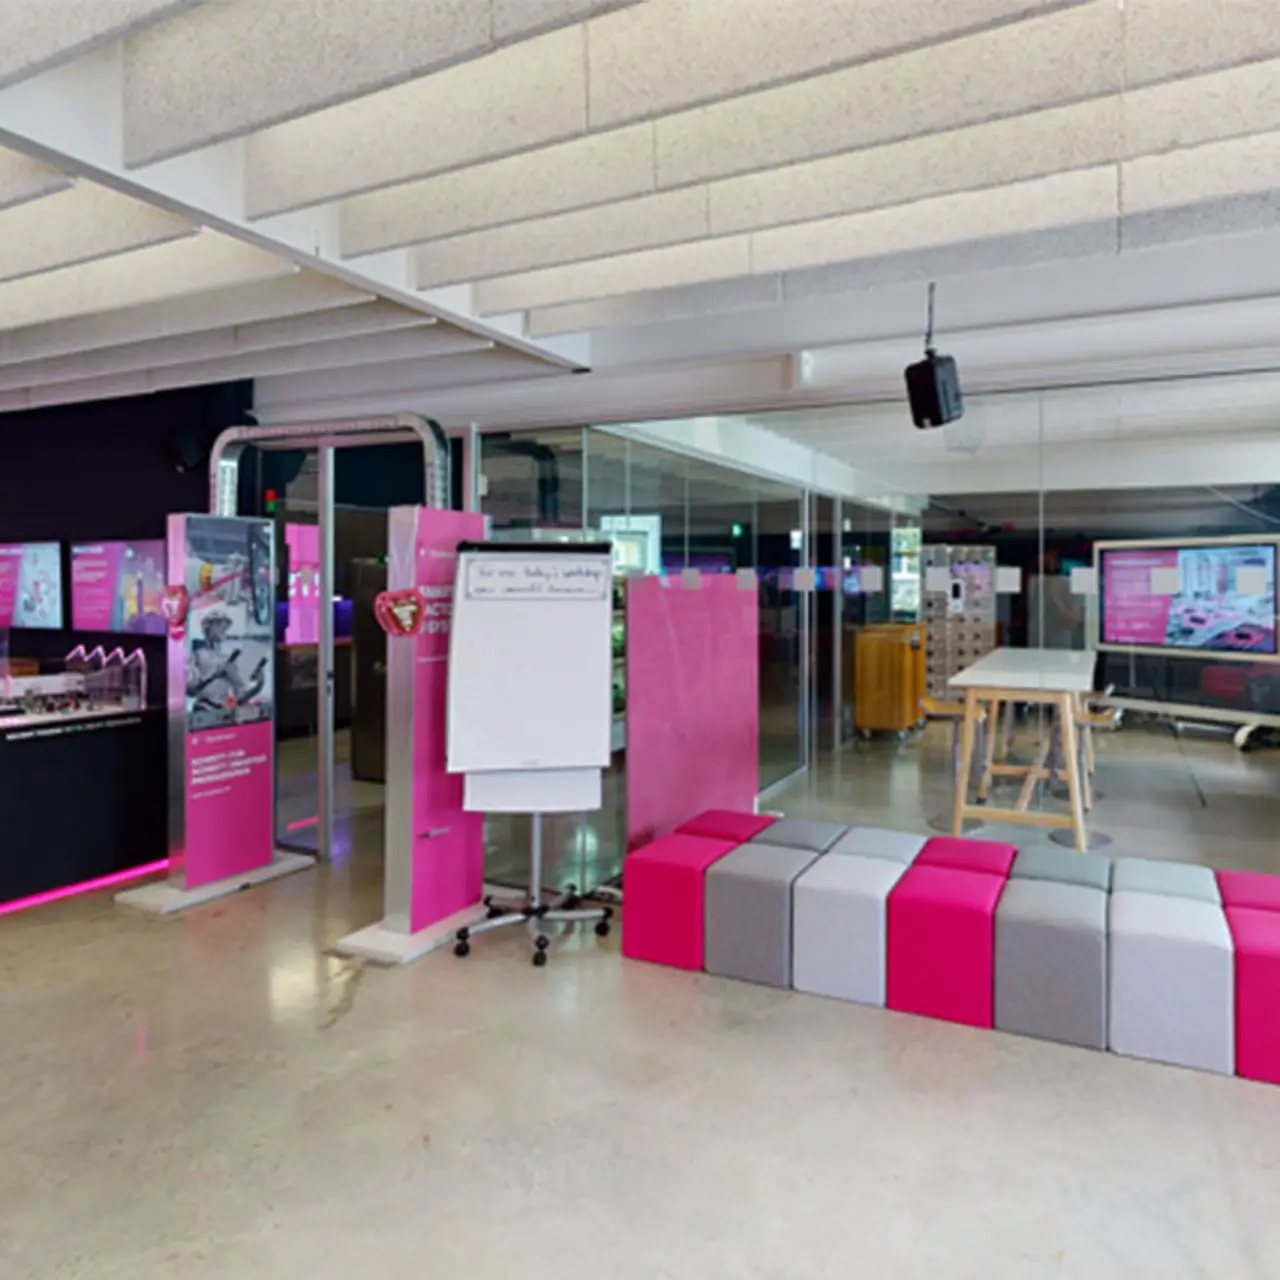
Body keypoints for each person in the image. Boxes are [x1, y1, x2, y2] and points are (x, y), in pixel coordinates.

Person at [187, 610, 267, 725]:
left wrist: (259, 685)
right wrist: (214, 675)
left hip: (224, 716)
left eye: (225, 626)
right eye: (219, 624)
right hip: (203, 712)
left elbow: (240, 698)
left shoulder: (228, 660)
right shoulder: (196, 655)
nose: (224, 628)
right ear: (208, 627)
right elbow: (190, 690)